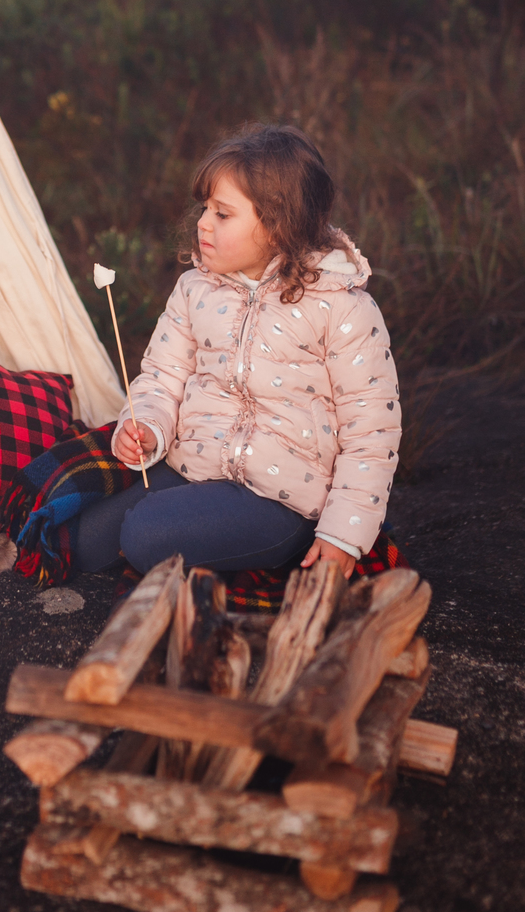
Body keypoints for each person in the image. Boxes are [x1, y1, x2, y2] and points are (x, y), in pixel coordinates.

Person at [70, 124, 401, 581]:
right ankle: (171, 539)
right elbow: (161, 377)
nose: (203, 222)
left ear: (278, 224)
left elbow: (372, 429)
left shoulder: (341, 306)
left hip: (281, 499)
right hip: (196, 467)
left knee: (145, 535)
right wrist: (146, 425)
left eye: (223, 214)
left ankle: (257, 547)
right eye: (205, 208)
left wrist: (342, 534)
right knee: (80, 543)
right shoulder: (195, 289)